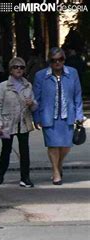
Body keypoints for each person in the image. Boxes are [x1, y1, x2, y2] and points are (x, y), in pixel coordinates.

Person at [33, 47, 85, 185]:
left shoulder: (72, 73)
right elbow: (36, 99)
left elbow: (77, 95)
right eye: (54, 60)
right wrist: (36, 117)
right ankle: (56, 172)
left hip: (68, 115)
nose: (57, 63)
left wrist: (79, 115)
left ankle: (59, 164)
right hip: (48, 116)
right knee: (53, 145)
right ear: (49, 61)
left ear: (64, 60)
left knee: (66, 145)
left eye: (60, 59)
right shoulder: (40, 76)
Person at [0, 57, 37, 187]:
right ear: (10, 70)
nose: (19, 69)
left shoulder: (28, 85)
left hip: (23, 122)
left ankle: (25, 178)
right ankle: (1, 173)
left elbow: (35, 106)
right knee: (6, 150)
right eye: (16, 67)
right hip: (7, 123)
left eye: (22, 67)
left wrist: (32, 104)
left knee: (25, 151)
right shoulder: (3, 86)